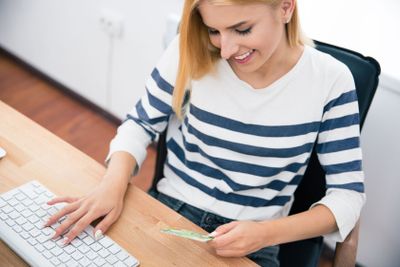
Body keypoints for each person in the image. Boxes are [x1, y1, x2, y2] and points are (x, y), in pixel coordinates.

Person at [45, 0, 366, 266]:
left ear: (285, 8)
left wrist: (266, 234)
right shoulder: (190, 48)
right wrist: (111, 186)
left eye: (242, 29)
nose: (225, 50)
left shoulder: (330, 81)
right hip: (169, 212)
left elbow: (347, 197)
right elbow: (140, 123)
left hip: (256, 240)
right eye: (214, 30)